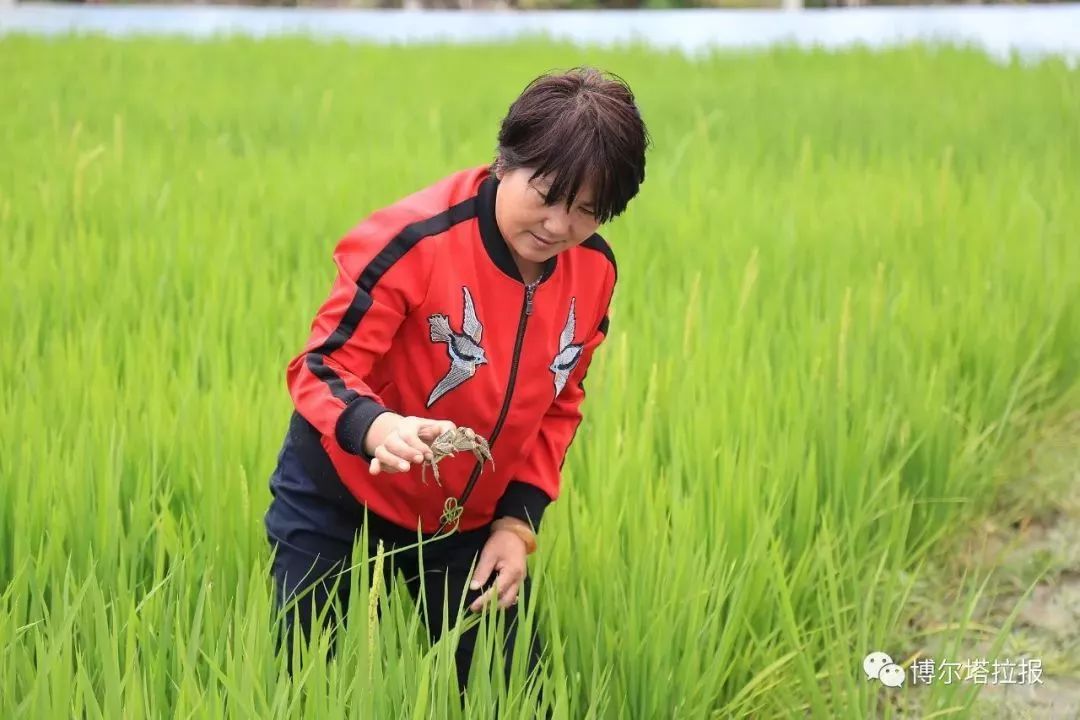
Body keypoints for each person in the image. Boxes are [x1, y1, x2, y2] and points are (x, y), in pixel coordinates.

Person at [263, 65, 650, 701]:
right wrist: (376, 425)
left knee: (511, 693)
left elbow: (558, 407)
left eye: (588, 211)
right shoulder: (411, 240)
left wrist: (516, 525)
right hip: (338, 488)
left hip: (462, 513)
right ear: (505, 161)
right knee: (307, 683)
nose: (559, 226)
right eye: (547, 195)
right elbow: (321, 366)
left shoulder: (594, 272)